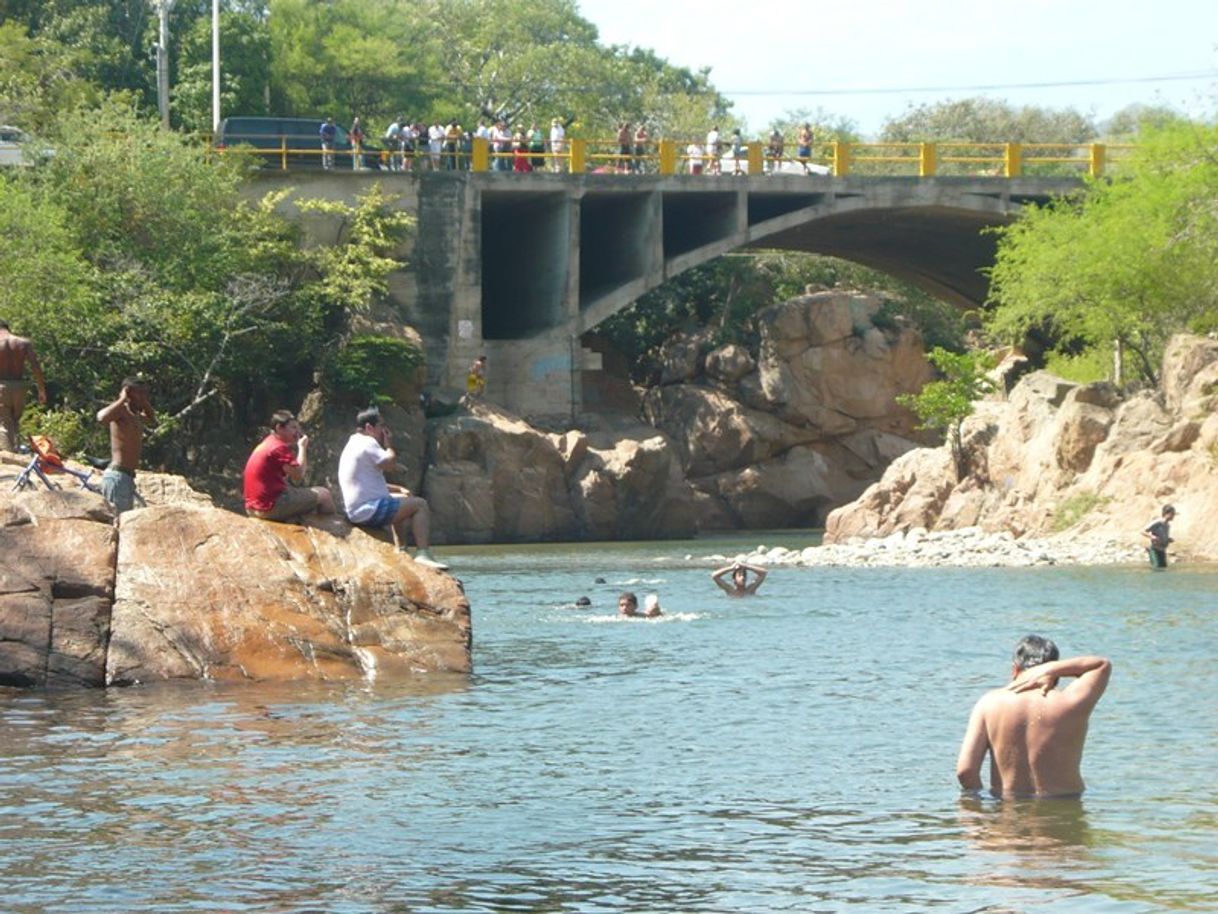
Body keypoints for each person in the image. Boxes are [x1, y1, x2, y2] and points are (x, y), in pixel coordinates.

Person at [956, 635, 1112, 798]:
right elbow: (1101, 665)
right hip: (1063, 804)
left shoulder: (988, 703)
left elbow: (965, 772)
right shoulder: (1071, 701)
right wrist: (1050, 669)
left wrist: (982, 806)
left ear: (1014, 669)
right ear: (1056, 672)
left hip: (1008, 812)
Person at [338, 407, 448, 570]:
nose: (384, 430)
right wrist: (389, 445)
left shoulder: (352, 443)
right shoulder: (367, 442)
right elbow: (390, 463)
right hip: (367, 509)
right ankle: (423, 554)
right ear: (369, 428)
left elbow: (367, 482)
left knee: (404, 500)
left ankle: (401, 550)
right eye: (381, 426)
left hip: (359, 508)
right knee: (420, 505)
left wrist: (398, 489)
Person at [242, 410, 335, 522]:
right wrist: (302, 447)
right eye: (293, 428)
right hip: (268, 507)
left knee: (298, 495)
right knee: (324, 495)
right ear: (279, 428)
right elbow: (298, 475)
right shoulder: (278, 448)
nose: (298, 432)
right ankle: (331, 528)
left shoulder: (268, 442)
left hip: (252, 506)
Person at [96, 377, 156, 515]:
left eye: (145, 394)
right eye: (140, 393)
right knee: (117, 521)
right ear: (128, 392)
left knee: (125, 520)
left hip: (128, 477)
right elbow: (101, 418)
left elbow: (152, 420)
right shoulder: (121, 411)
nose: (143, 397)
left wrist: (144, 401)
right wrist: (123, 398)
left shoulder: (136, 416)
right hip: (117, 476)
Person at [0, 319, 46, 453]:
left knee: (3, 423)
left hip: (2, 387)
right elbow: (35, 367)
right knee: (15, 421)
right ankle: (15, 450)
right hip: (20, 387)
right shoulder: (23, 343)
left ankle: (8, 456)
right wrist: (41, 389)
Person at [1142, 504, 1176, 568]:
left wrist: (1168, 539)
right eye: (1173, 514)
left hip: (1162, 551)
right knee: (1156, 568)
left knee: (1163, 569)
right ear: (1167, 513)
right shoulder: (1158, 522)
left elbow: (1162, 536)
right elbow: (1143, 531)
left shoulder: (1167, 525)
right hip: (1154, 550)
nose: (1173, 516)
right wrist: (1152, 537)